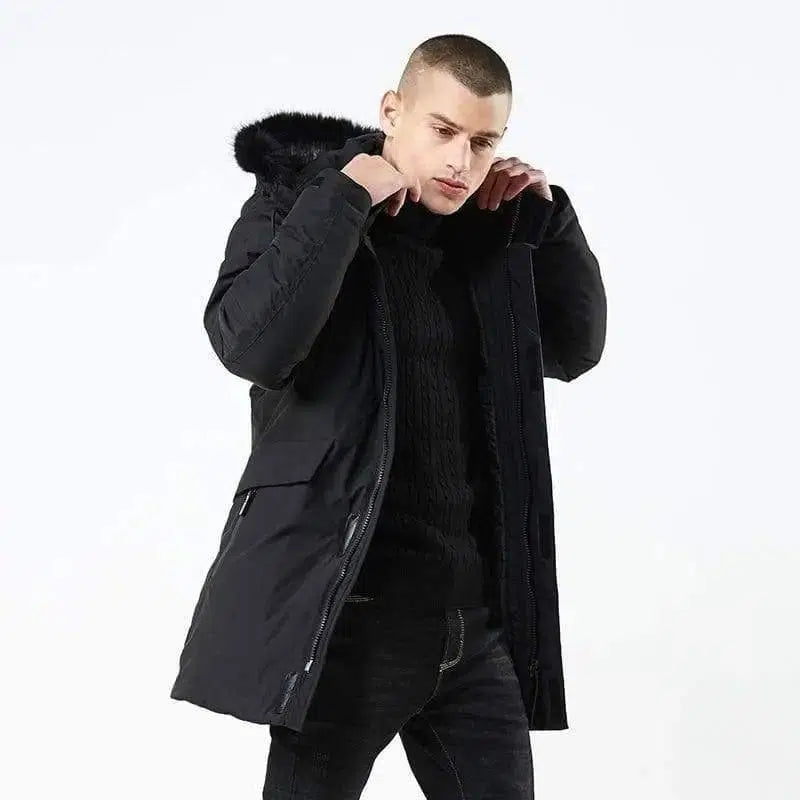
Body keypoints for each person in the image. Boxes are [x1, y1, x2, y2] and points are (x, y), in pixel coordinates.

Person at [170, 33, 607, 799]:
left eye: (483, 142)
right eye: (443, 130)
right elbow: (250, 344)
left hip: (473, 629)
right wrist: (344, 199)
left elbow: (573, 348)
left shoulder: (482, 236)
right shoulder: (301, 201)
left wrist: (550, 223)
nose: (461, 161)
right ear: (392, 111)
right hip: (350, 624)